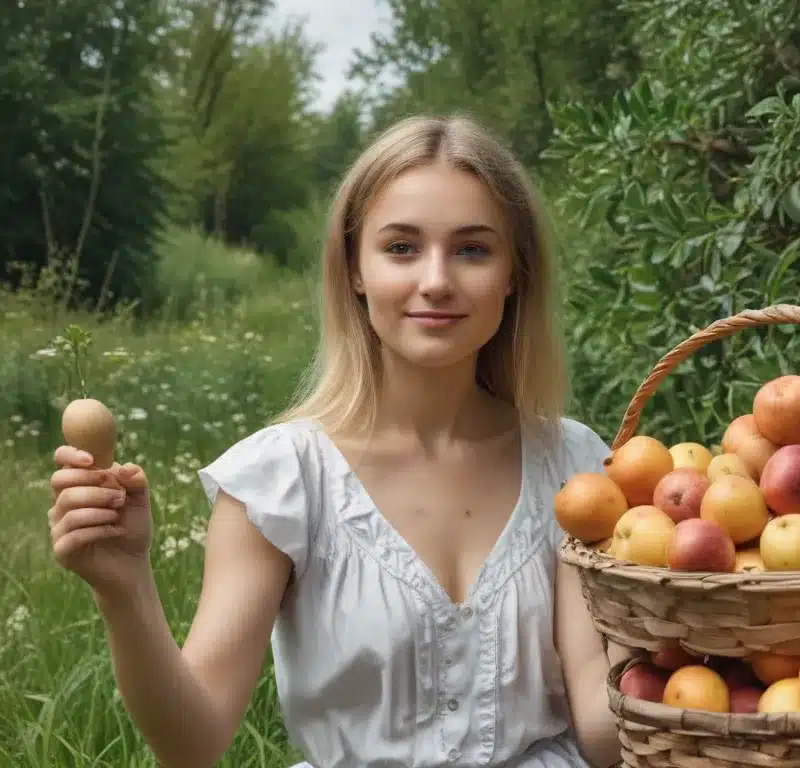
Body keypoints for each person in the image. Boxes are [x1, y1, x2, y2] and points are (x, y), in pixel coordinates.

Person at [46, 114, 626, 768]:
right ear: (354, 268)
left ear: (514, 273)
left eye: (472, 249)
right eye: (401, 248)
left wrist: (706, 655)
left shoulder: (574, 468)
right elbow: (193, 741)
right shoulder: (284, 479)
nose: (435, 280)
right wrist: (125, 589)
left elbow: (604, 735)